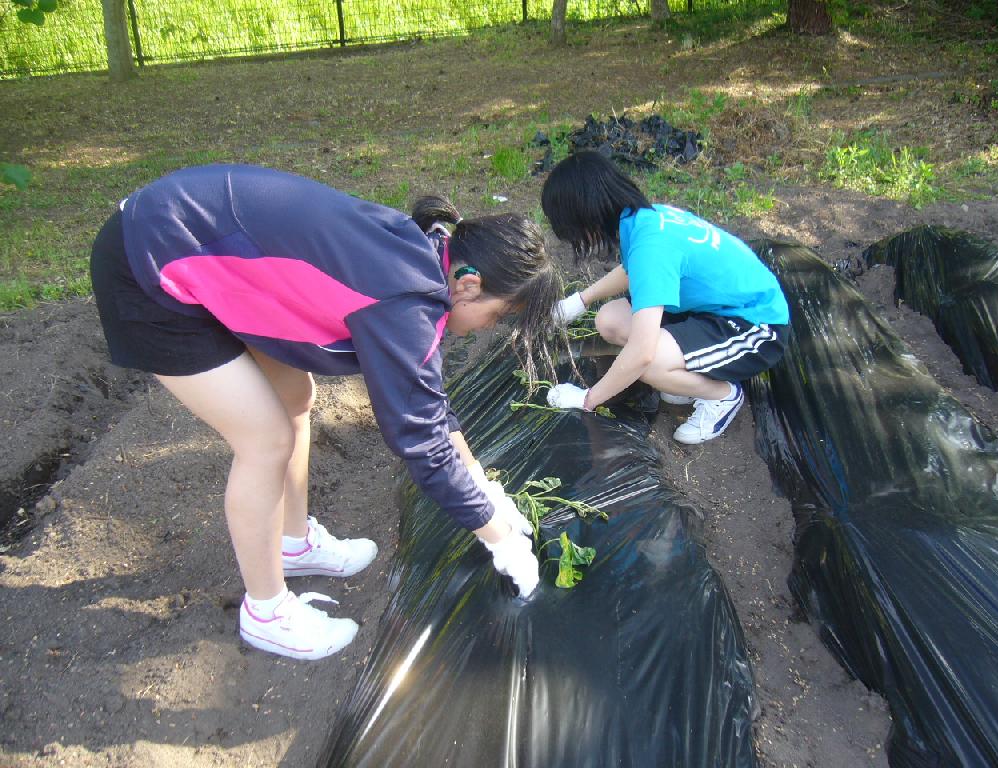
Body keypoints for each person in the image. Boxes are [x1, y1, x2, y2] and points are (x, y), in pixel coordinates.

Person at [90, 164, 561, 660]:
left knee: (294, 396)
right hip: (151, 260)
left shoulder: (425, 250)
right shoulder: (404, 303)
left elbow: (429, 406)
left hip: (198, 238)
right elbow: (422, 443)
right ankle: (267, 613)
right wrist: (500, 536)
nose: (487, 327)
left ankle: (293, 543)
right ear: (468, 284)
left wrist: (482, 484)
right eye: (498, 315)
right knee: (264, 440)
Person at [541, 150, 790, 444]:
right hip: (709, 308)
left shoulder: (652, 245)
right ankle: (689, 376)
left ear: (584, 217)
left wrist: (587, 399)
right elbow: (633, 269)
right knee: (610, 321)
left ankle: (722, 396)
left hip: (755, 326)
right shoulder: (643, 218)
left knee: (650, 362)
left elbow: (641, 353)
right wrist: (580, 301)